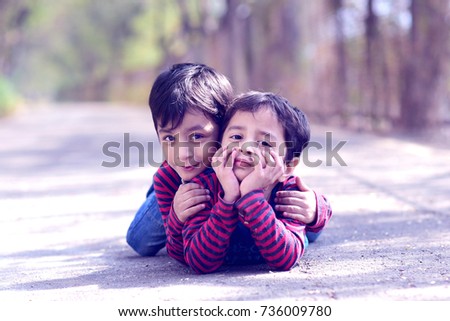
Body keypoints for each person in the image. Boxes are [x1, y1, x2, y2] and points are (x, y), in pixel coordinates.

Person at [126, 63, 323, 258]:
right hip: (178, 181)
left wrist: (316, 209)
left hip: (235, 196)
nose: (183, 153)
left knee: (299, 215)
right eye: (169, 138)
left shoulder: (243, 158)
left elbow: (288, 179)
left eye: (196, 137)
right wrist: (176, 217)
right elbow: (180, 249)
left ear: (223, 128)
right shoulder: (170, 175)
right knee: (140, 240)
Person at [154, 91, 332, 273]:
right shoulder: (202, 189)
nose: (246, 148)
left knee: (309, 218)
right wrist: (229, 198)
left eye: (265, 143)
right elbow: (198, 262)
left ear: (287, 166)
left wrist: (251, 196)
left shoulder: (287, 192)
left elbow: (284, 260)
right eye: (237, 137)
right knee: (141, 239)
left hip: (287, 216)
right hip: (176, 194)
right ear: (219, 145)